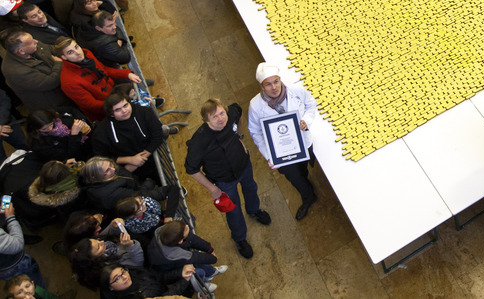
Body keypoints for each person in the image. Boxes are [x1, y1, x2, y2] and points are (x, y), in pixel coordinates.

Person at [184, 98, 272, 259]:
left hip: (243, 165)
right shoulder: (199, 142)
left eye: (221, 113)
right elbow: (191, 169)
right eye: (214, 117)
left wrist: (239, 136)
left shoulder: (230, 115)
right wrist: (213, 188)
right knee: (233, 209)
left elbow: (238, 110)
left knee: (251, 188)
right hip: (223, 180)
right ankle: (240, 238)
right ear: (206, 121)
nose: (221, 119)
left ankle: (254, 210)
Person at [247, 63, 318, 220]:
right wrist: (269, 155)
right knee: (294, 177)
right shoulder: (255, 106)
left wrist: (306, 120)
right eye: (268, 84)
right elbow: (255, 132)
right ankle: (308, 197)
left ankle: (306, 180)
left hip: (302, 142)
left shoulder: (296, 91)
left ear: (280, 80)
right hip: (281, 153)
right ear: (262, 86)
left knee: (303, 169)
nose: (274, 87)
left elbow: (311, 104)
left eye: (276, 81)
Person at [56, 37, 139, 122]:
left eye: (76, 47)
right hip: (106, 110)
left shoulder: (87, 55)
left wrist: (127, 74)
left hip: (113, 93)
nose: (77, 53)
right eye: (70, 52)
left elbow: (104, 70)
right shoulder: (68, 82)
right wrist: (119, 104)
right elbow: (91, 105)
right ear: (63, 57)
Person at [91, 91, 165, 182]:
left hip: (152, 154)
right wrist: (130, 160)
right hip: (127, 168)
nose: (124, 111)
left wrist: (141, 159)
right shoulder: (101, 133)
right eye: (118, 110)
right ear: (111, 114)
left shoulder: (144, 112)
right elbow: (102, 156)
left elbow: (157, 134)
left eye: (125, 105)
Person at [2, 32, 77, 113]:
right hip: (54, 106)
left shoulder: (31, 46)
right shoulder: (16, 71)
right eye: (31, 42)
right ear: (21, 51)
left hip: (64, 92)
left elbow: (52, 49)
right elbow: (50, 82)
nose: (36, 41)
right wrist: (58, 64)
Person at [0, 200, 43, 287]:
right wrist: (10, 218)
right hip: (15, 265)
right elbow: (17, 244)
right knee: (34, 286)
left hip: (3, 268)